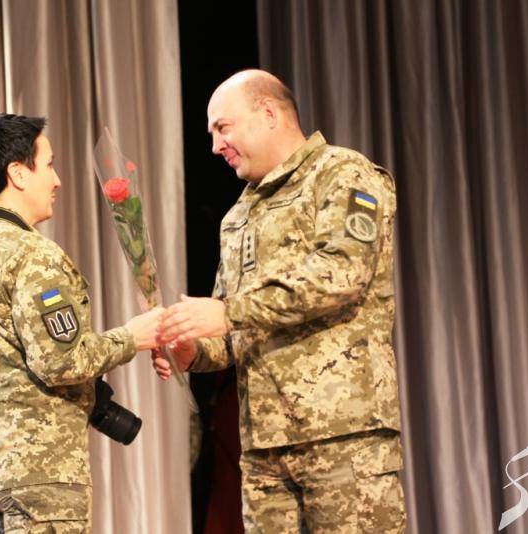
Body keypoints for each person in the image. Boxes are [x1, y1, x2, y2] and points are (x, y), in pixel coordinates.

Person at [154, 70, 405, 533]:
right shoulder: (238, 215)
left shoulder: (342, 174)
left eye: (222, 128)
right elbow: (232, 333)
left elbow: (341, 275)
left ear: (268, 113)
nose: (215, 146)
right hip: (263, 450)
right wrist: (193, 350)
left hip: (342, 435)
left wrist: (226, 313)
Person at [0, 113, 163, 533]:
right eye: (49, 165)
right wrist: (132, 337)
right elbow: (61, 362)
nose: (57, 180)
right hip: (39, 471)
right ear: (18, 174)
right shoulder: (33, 254)